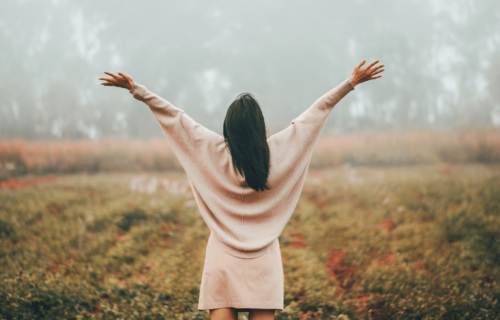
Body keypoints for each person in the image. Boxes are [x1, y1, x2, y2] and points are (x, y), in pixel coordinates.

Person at [99, 59, 384, 320]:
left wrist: (137, 89)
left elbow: (176, 118)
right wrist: (350, 83)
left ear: (229, 129)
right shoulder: (278, 153)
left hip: (223, 257)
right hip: (265, 261)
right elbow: (314, 115)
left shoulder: (212, 151)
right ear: (260, 127)